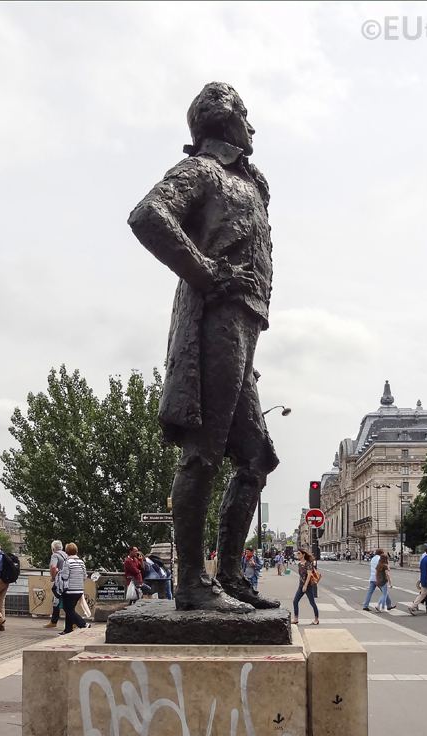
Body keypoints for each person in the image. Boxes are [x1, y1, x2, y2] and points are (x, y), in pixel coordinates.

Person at [128, 82, 280, 614]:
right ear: (224, 121)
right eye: (248, 116)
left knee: (255, 457)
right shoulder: (202, 172)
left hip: (243, 331)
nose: (254, 127)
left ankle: (231, 576)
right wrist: (206, 270)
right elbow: (148, 216)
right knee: (203, 451)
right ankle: (192, 581)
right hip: (215, 323)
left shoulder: (247, 183)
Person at [57, 543, 91, 634]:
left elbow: (64, 576)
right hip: (79, 590)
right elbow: (84, 576)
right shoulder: (81, 562)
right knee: (70, 609)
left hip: (69, 590)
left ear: (66, 552)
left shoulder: (67, 562)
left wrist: (59, 572)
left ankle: (83, 624)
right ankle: (68, 629)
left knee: (67, 609)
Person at [408, 544, 427, 615]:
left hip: (423, 579)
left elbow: (421, 569)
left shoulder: (423, 559)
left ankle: (413, 606)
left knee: (422, 595)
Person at [292, 549, 319, 625]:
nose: (297, 555)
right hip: (301, 586)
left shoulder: (308, 564)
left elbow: (309, 575)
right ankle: (296, 619)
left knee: (312, 603)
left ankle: (316, 619)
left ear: (303, 554)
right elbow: (301, 576)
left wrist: (305, 585)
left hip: (308, 586)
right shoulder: (299, 564)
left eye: (299, 553)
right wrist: (301, 585)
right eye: (297, 553)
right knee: (295, 601)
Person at [43, 540, 66, 629]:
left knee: (60, 597)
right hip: (66, 582)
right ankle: (53, 621)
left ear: (53, 548)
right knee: (56, 600)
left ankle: (73, 620)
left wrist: (53, 577)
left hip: (59, 581)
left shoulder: (55, 555)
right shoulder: (66, 555)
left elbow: (53, 567)